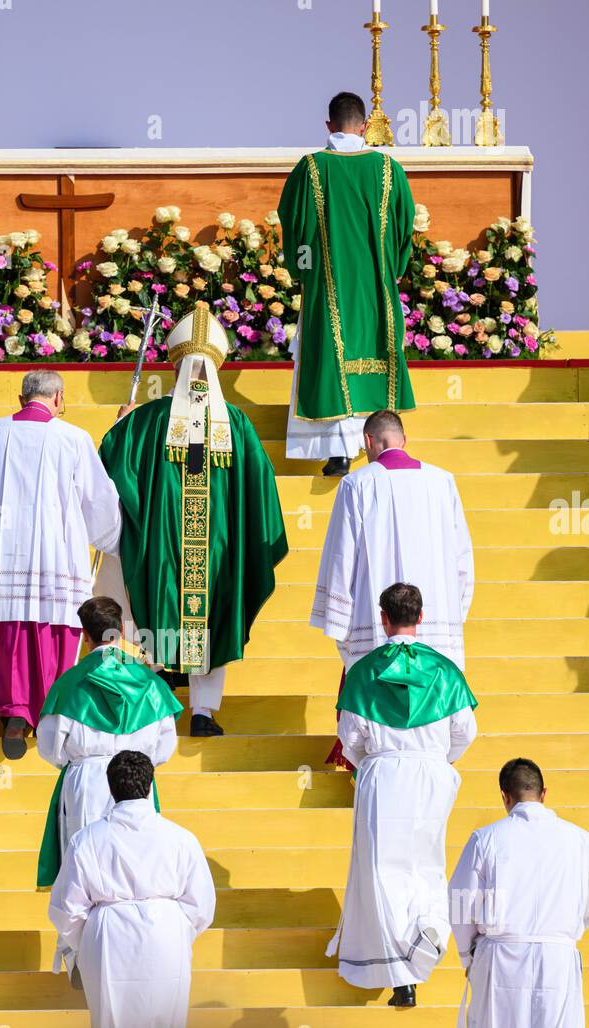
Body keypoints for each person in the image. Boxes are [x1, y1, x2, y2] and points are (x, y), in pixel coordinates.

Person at [97, 302, 287, 737]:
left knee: (158, 609)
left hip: (160, 545)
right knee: (211, 615)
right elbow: (260, 488)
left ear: (176, 363)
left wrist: (117, 430)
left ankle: (158, 704)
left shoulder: (144, 421)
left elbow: (108, 472)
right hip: (217, 550)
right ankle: (203, 711)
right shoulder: (236, 423)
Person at [327, 583, 477, 1008]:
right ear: (421, 617)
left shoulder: (363, 670)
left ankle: (402, 967)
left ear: (383, 617)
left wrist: (375, 762)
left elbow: (350, 737)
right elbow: (465, 733)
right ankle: (428, 926)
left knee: (381, 870)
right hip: (431, 773)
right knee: (426, 860)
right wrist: (435, 759)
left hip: (383, 772)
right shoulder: (445, 670)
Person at [0, 369, 122, 759]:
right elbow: (98, 503)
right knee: (54, 631)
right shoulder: (73, 438)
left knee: (9, 630)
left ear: (22, 399)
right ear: (59, 398)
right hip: (56, 554)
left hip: (4, 552)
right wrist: (112, 539)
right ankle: (52, 712)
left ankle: (15, 712)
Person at [313, 408, 473, 768]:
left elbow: (342, 555)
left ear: (368, 441)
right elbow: (462, 557)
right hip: (431, 619)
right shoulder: (443, 481)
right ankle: (430, 761)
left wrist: (339, 620)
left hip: (377, 617)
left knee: (374, 690)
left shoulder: (356, 483)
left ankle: (373, 767)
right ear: (403, 439)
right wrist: (452, 612)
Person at [48, 750, 216, 1028]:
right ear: (150, 785)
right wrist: (174, 930)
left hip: (108, 936)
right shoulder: (181, 838)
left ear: (110, 789)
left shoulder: (87, 839)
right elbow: (201, 905)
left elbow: (67, 908)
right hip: (167, 934)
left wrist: (89, 941)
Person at [278, 90, 416, 477]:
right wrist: (393, 269)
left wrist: (304, 270)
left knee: (330, 360)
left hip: (328, 290)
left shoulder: (310, 168)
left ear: (328, 125)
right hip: (375, 291)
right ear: (366, 125)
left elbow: (295, 227)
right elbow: (406, 228)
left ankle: (337, 453)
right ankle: (378, 445)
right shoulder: (389, 169)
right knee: (370, 356)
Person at [449, 757, 589, 1028]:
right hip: (557, 957)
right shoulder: (580, 841)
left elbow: (460, 901)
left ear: (505, 797)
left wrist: (468, 956)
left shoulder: (486, 838)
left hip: (500, 957)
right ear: (544, 794)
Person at [36, 596, 181, 903]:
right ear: (121, 633)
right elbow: (166, 746)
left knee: (83, 875)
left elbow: (49, 747)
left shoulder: (69, 683)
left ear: (85, 635)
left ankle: (82, 946)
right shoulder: (151, 684)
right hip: (137, 779)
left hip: (85, 782)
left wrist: (77, 762)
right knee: (137, 866)